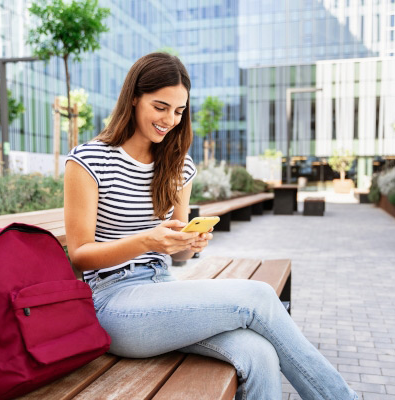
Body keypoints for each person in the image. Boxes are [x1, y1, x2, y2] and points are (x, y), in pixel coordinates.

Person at [64, 52, 358, 400]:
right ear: (133, 98)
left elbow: (180, 251)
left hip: (163, 289)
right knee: (258, 297)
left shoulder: (177, 165)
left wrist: (191, 241)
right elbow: (80, 255)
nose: (169, 120)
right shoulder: (88, 160)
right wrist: (147, 242)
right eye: (160, 107)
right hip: (114, 304)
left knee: (259, 353)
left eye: (178, 111)